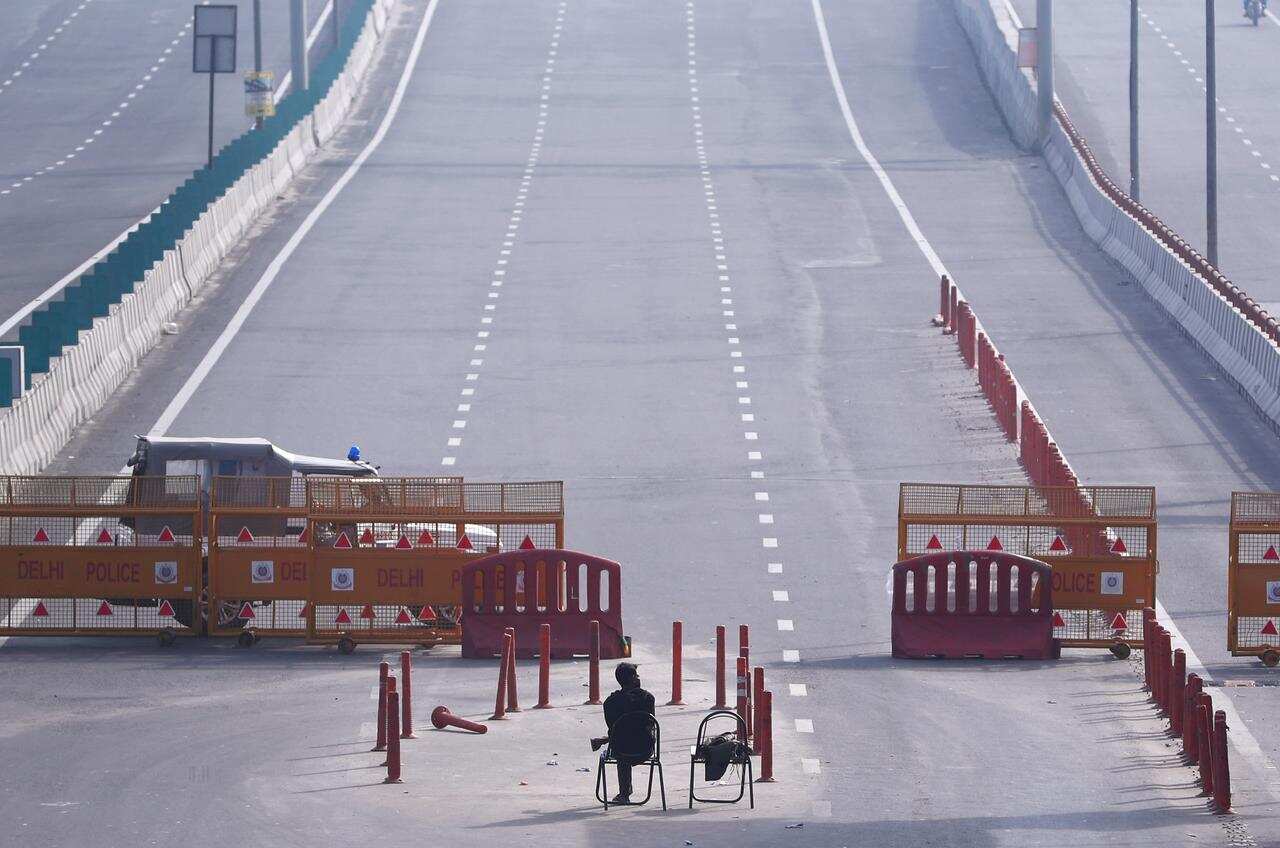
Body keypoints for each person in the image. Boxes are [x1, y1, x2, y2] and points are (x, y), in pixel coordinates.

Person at [592, 662, 656, 804]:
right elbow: (650, 725)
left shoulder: (610, 702)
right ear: (633, 678)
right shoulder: (648, 698)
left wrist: (604, 739)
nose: (639, 678)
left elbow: (614, 730)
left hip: (622, 751)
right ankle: (625, 792)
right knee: (627, 743)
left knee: (622, 747)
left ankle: (624, 794)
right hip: (645, 749)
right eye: (637, 676)